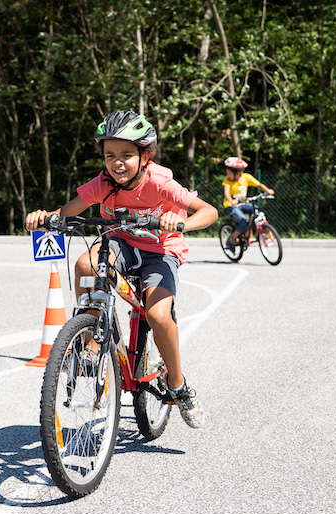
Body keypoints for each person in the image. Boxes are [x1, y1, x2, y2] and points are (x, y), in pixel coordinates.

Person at [25, 110, 218, 428]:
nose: (117, 162)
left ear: (146, 156)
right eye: (109, 155)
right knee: (85, 264)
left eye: (127, 155)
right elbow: (68, 211)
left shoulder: (160, 182)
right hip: (121, 244)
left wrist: (181, 222)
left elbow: (208, 211)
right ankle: (90, 341)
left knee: (158, 316)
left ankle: (178, 385)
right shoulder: (103, 183)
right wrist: (45, 217)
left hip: (160, 251)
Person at [221, 157, 275, 249]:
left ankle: (262, 232)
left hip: (244, 204)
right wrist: (231, 201)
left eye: (229, 173)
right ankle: (231, 239)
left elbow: (258, 185)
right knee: (243, 221)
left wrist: (267, 190)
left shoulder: (246, 177)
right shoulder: (227, 180)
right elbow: (226, 193)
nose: (227, 175)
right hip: (231, 206)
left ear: (237, 172)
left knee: (257, 211)